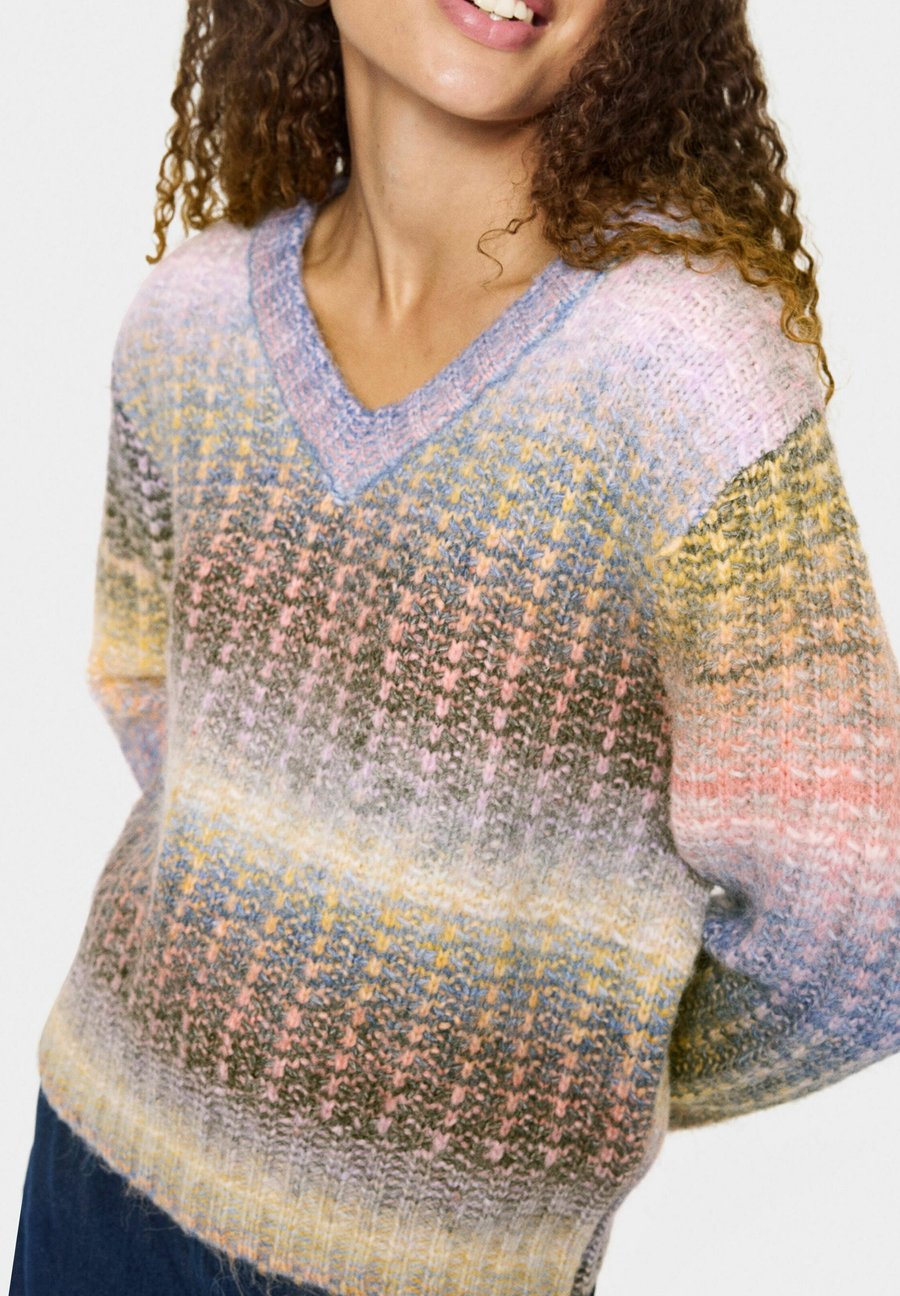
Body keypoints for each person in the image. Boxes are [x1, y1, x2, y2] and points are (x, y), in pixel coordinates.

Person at [10, 0, 899, 1293]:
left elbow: (859, 930)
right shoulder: (188, 320)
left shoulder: (683, 373)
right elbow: (152, 690)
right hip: (97, 1160)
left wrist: (545, 1070)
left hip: (435, 1261)